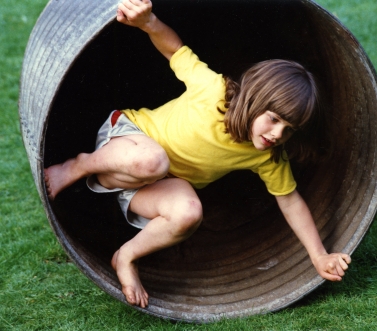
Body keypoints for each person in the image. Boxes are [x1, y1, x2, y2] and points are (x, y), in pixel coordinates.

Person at [44, 0, 351, 309]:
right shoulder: (213, 91)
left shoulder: (266, 156)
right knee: (152, 160)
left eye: (289, 129)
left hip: (151, 184)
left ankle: (126, 256)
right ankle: (78, 165)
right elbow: (174, 49)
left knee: (189, 212)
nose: (277, 135)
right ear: (254, 99)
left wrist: (318, 255)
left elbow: (290, 201)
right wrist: (148, 21)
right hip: (127, 142)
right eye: (273, 119)